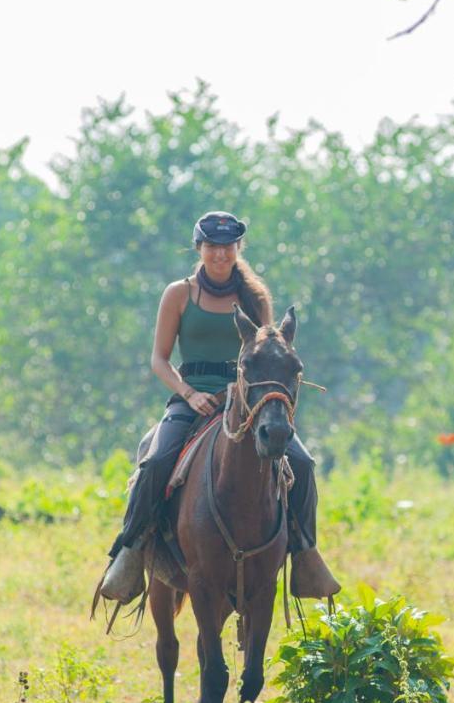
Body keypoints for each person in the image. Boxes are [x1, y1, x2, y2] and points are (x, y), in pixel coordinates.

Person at [98, 210, 341, 605]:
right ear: (199, 248)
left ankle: (305, 552)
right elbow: (159, 360)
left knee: (302, 463)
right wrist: (190, 393)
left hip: (247, 403)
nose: (220, 254)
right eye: (212, 246)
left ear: (237, 249)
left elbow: (266, 350)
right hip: (191, 400)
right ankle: (130, 550)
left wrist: (247, 394)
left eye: (227, 247)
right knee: (156, 461)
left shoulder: (255, 296)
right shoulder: (179, 294)